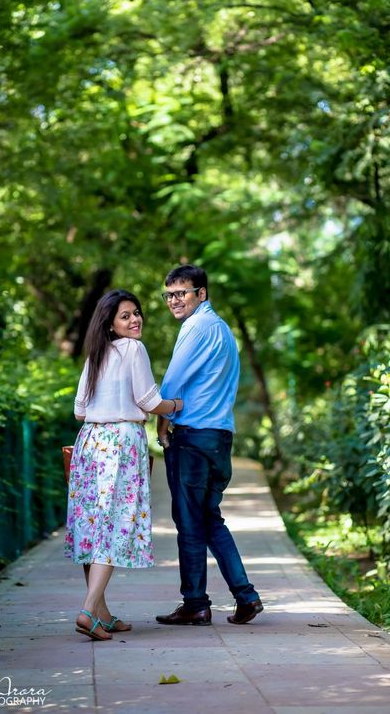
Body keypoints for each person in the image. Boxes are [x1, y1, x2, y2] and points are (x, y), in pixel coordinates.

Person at [66, 289, 183, 641]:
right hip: (120, 444)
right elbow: (148, 399)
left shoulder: (96, 354)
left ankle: (103, 614)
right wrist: (177, 404)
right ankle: (88, 612)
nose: (135, 320)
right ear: (112, 324)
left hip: (90, 442)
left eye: (136, 313)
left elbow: (79, 410)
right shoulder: (133, 349)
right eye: (125, 316)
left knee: (94, 525)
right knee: (114, 525)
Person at [155, 264, 264, 626]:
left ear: (201, 294)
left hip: (192, 436)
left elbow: (172, 379)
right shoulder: (222, 330)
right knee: (209, 518)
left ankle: (196, 604)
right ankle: (246, 597)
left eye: (181, 293)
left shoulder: (196, 326)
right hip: (219, 437)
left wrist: (162, 416)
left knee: (189, 522)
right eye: (169, 294)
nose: (174, 300)